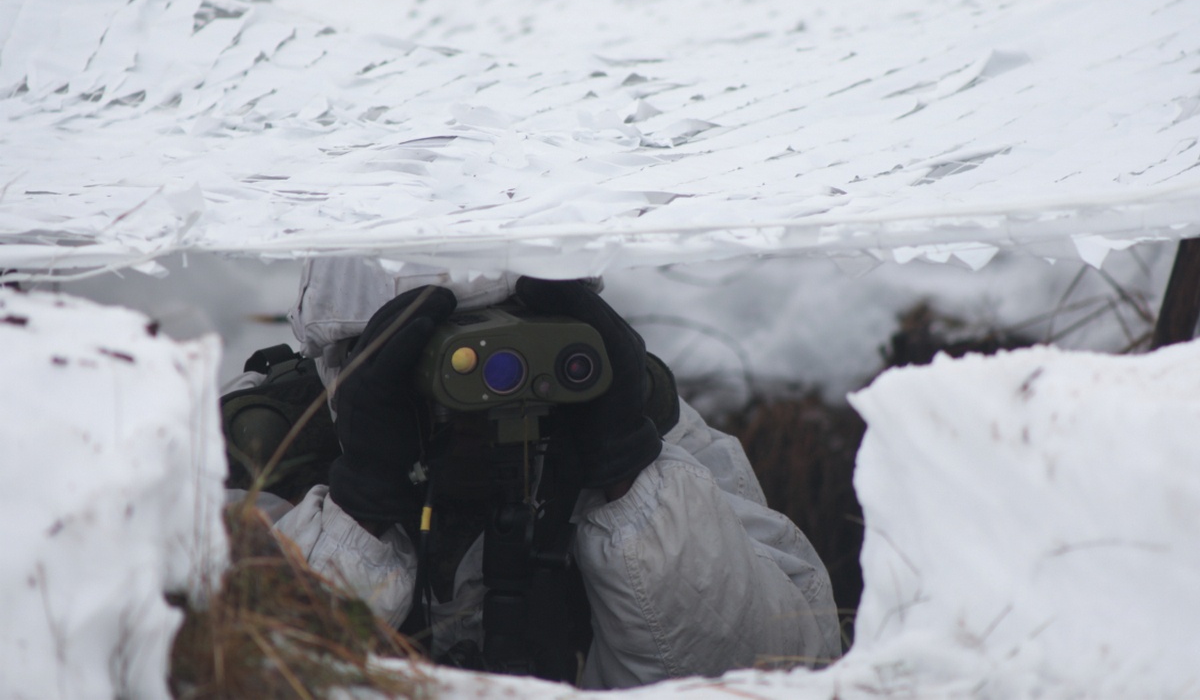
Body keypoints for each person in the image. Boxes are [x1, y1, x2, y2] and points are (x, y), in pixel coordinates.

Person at [230, 258, 841, 689]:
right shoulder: (266, 455)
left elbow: (791, 665)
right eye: (439, 353)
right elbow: (224, 675)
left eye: (523, 326)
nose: (497, 378)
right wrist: (358, 513)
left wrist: (633, 478)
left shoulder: (642, 427)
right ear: (346, 362)